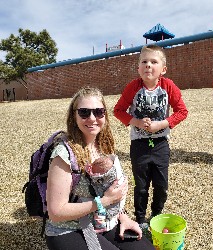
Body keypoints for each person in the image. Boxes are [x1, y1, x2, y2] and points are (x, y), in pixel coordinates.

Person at [45, 87, 155, 250]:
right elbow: (56, 212)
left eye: (98, 112)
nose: (92, 118)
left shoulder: (103, 145)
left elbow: (108, 188)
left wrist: (122, 216)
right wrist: (104, 201)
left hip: (102, 221)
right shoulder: (63, 154)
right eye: (84, 112)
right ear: (74, 115)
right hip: (68, 229)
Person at [113, 45, 188, 229]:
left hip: (161, 143)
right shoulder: (133, 87)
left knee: (161, 185)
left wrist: (162, 124)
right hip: (139, 144)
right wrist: (137, 122)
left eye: (153, 62)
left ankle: (156, 215)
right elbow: (118, 110)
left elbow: (182, 111)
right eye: (144, 62)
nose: (148, 65)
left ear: (163, 69)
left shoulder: (168, 86)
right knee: (141, 186)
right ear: (138, 68)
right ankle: (139, 219)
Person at [83, 154, 126, 232]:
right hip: (96, 208)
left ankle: (101, 227)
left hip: (107, 207)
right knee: (100, 214)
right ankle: (101, 227)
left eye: (94, 172)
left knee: (101, 214)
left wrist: (124, 217)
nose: (91, 171)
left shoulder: (110, 175)